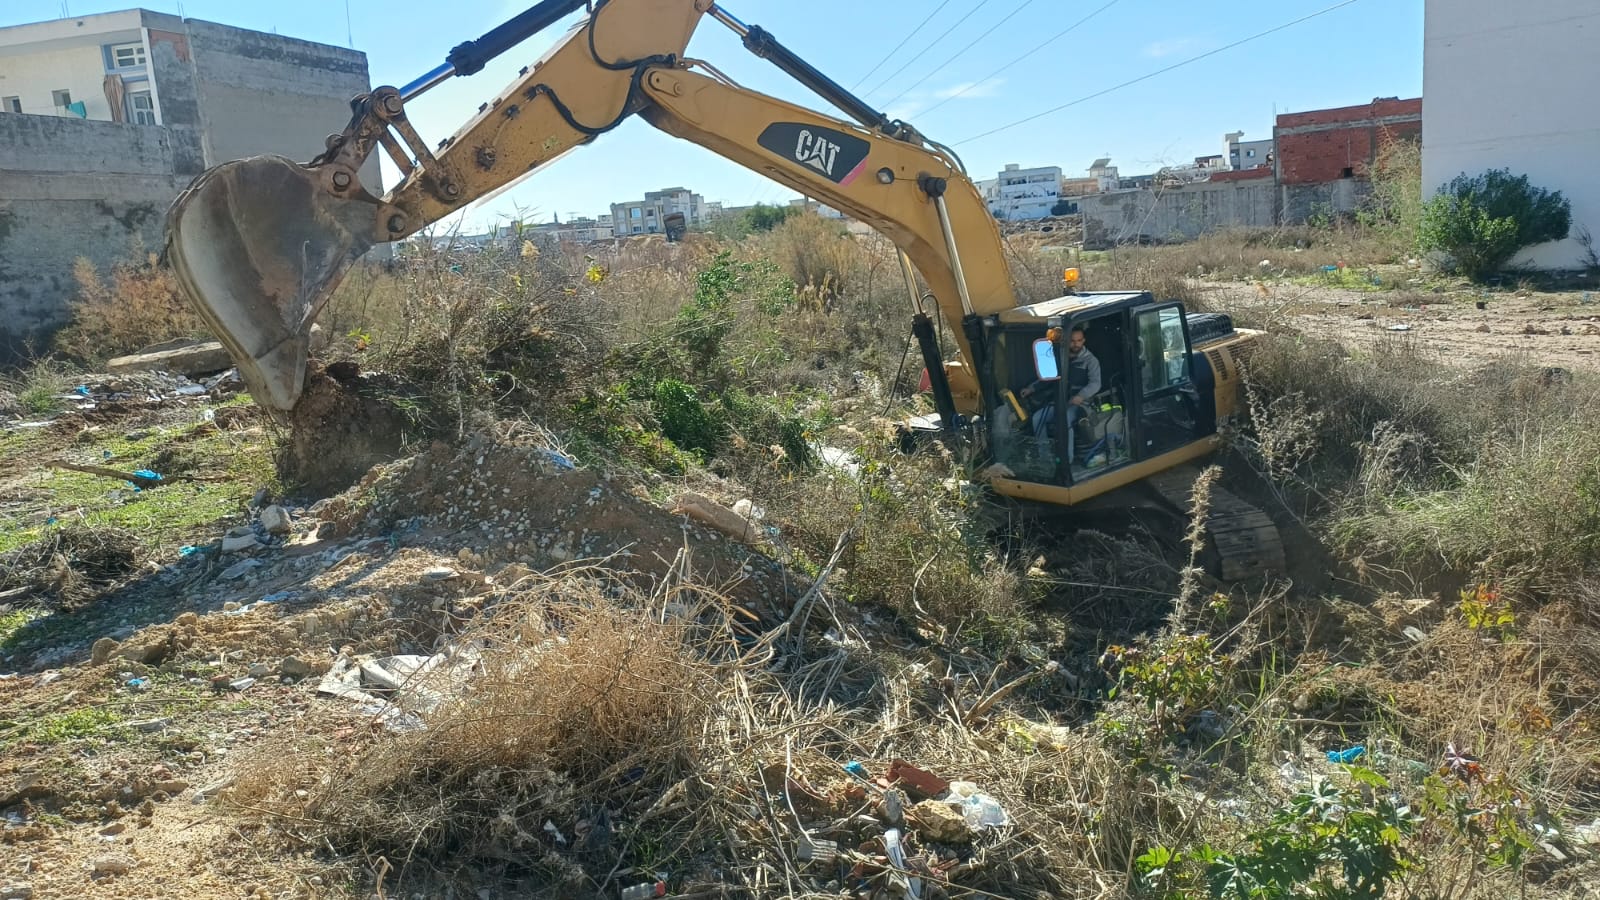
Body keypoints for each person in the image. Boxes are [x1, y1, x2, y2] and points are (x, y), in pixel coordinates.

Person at [1021, 326, 1101, 464]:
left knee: (1064, 420)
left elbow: (1095, 383)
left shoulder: (1091, 360)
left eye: (1079, 340)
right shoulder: (1060, 357)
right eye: (1072, 340)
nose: (1075, 344)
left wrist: (1081, 396)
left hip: (1081, 405)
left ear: (1084, 341)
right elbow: (1048, 377)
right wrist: (1031, 389)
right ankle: (1045, 457)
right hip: (1060, 401)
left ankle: (1066, 461)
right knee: (1037, 418)